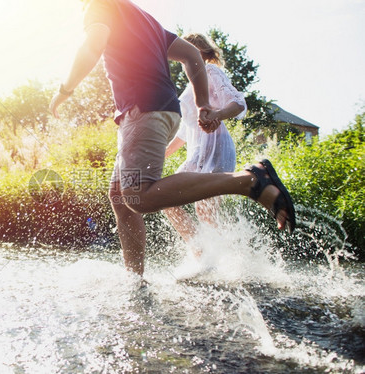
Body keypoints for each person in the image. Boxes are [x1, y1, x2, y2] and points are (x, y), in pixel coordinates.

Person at [49, 0, 295, 276]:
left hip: (142, 110)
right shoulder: (144, 19)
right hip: (161, 111)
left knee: (137, 197)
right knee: (119, 195)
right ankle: (135, 278)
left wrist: (65, 90)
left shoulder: (100, 6)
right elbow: (191, 54)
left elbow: (93, 46)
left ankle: (250, 180)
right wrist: (202, 103)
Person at [163, 33, 247, 251]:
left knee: (206, 210)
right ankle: (203, 252)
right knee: (166, 199)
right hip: (196, 154)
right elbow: (183, 133)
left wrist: (217, 114)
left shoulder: (210, 71)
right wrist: (160, 154)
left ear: (195, 51)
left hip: (216, 148)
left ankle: (219, 258)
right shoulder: (191, 86)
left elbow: (237, 103)